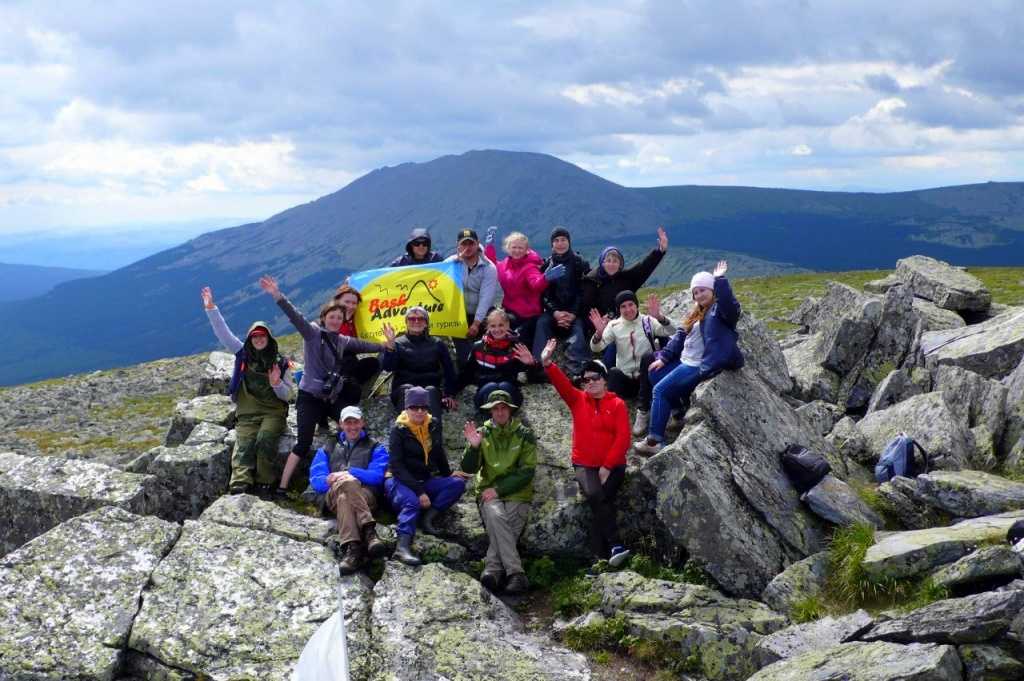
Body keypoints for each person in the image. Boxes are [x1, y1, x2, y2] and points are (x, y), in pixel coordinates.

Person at [259, 275, 385, 495]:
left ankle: (358, 479)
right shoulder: (312, 333)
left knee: (355, 428)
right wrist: (277, 295)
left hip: (331, 399)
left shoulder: (343, 341)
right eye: (332, 316)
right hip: (309, 398)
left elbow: (365, 345)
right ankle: (282, 486)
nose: (336, 320)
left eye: (339, 317)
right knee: (303, 443)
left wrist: (387, 345)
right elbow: (294, 315)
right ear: (324, 318)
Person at [633, 261, 744, 455]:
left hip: (700, 364)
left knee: (660, 390)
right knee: (655, 374)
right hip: (686, 360)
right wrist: (664, 358)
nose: (699, 295)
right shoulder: (697, 312)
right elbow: (679, 337)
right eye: (696, 292)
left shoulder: (720, 312)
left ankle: (654, 441)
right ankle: (678, 414)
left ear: (712, 289)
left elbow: (730, 303)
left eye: (703, 290)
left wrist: (720, 279)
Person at [541, 339, 632, 568]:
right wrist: (547, 362)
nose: (589, 383)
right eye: (585, 380)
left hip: (614, 466)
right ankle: (615, 545)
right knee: (594, 495)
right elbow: (560, 383)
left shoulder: (618, 404)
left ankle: (599, 560)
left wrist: (607, 467)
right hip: (584, 465)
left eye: (595, 378)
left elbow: (623, 438)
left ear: (604, 380)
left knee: (599, 502)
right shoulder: (577, 400)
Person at [202, 286, 293, 495]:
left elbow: (288, 395)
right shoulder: (242, 354)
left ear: (269, 338)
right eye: (255, 337)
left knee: (265, 440)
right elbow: (223, 332)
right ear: (250, 339)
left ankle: (265, 482)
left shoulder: (281, 363)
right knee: (243, 445)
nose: (259, 339)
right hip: (246, 413)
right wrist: (211, 308)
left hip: (273, 412)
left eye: (263, 336)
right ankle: (240, 484)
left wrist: (277, 384)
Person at [461, 390, 536, 594]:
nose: (500, 412)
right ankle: (516, 574)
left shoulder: (525, 434)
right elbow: (468, 469)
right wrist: (474, 447)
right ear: (490, 411)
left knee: (504, 523)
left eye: (504, 408)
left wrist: (499, 489)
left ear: (510, 411)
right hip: (487, 491)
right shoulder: (481, 433)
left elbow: (527, 472)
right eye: (496, 408)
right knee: (496, 516)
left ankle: (493, 569)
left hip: (518, 492)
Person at [386, 387, 469, 565]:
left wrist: (448, 474)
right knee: (412, 502)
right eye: (414, 407)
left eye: (423, 407)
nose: (420, 411)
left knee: (457, 484)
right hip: (399, 480)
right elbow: (397, 466)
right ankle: (402, 547)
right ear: (407, 408)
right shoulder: (398, 430)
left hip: (424, 479)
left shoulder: (433, 424)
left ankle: (427, 519)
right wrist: (419, 492)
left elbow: (438, 451)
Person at [308, 405, 389, 574]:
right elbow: (316, 480)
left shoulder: (376, 447)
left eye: (356, 422)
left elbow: (377, 477)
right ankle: (369, 531)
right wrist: (330, 480)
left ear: (363, 422)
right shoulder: (328, 446)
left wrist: (349, 473)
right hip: (332, 494)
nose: (352, 427)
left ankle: (353, 551)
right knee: (345, 486)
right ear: (340, 424)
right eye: (348, 422)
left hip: (366, 495)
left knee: (345, 496)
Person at [589, 291, 675, 436]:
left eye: (631, 305)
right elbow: (597, 347)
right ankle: (608, 414)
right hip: (627, 380)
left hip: (647, 379)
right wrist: (598, 334)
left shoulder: (648, 321)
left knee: (649, 357)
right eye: (623, 306)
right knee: (614, 373)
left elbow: (670, 331)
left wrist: (659, 317)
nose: (628, 309)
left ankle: (643, 412)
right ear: (619, 309)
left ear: (636, 305)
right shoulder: (614, 325)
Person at [581, 227, 669, 362]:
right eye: (608, 260)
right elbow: (585, 307)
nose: (611, 264)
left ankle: (667, 358)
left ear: (620, 264)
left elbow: (644, 267)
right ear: (602, 262)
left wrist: (660, 251)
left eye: (615, 261)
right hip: (604, 328)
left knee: (658, 335)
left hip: (630, 322)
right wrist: (600, 324)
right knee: (614, 346)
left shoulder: (626, 278)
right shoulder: (592, 280)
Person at [483, 227, 563, 355]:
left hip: (529, 316)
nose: (517, 250)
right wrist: (489, 247)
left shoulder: (530, 266)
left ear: (527, 250)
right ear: (508, 248)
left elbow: (536, 284)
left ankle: (531, 367)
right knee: (494, 325)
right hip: (510, 312)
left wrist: (545, 278)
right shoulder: (504, 266)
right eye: (514, 247)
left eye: (520, 248)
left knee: (517, 340)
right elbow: (491, 265)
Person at [380, 306, 457, 422]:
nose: (416, 321)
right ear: (406, 322)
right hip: (404, 389)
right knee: (408, 389)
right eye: (412, 319)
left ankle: (434, 433)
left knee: (430, 390)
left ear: (426, 323)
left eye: (421, 319)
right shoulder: (397, 343)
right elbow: (388, 367)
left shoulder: (437, 343)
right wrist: (390, 347)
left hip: (431, 389)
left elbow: (449, 370)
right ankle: (406, 432)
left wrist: (449, 394)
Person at [535, 226, 592, 377]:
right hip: (554, 313)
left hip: (575, 313)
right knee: (541, 323)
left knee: (578, 331)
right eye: (556, 240)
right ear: (552, 244)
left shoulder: (580, 263)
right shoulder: (546, 265)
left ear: (569, 242)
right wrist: (555, 313)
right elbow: (543, 294)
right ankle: (538, 367)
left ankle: (577, 371)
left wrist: (573, 313)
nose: (560, 243)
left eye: (563, 240)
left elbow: (584, 291)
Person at [458, 308, 537, 411]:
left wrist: (532, 364)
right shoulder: (478, 347)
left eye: (501, 325)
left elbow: (533, 377)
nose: (497, 329)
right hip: (485, 391)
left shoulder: (517, 347)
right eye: (493, 326)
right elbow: (466, 373)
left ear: (508, 325)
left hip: (509, 391)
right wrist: (450, 393)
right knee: (491, 386)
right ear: (487, 327)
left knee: (504, 386)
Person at [444, 228, 498, 368]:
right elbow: (437, 275)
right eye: (464, 244)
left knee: (489, 352)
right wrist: (456, 261)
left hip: (483, 315)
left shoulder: (489, 267)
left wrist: (476, 323)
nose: (467, 248)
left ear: (477, 244)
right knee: (465, 360)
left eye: (471, 244)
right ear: (458, 245)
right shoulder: (451, 263)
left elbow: (486, 297)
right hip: (459, 316)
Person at [331, 283, 381, 398]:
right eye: (347, 302)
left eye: (354, 303)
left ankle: (356, 389)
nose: (351, 306)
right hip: (333, 366)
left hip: (349, 363)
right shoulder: (331, 320)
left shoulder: (353, 320)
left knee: (372, 363)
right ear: (337, 301)